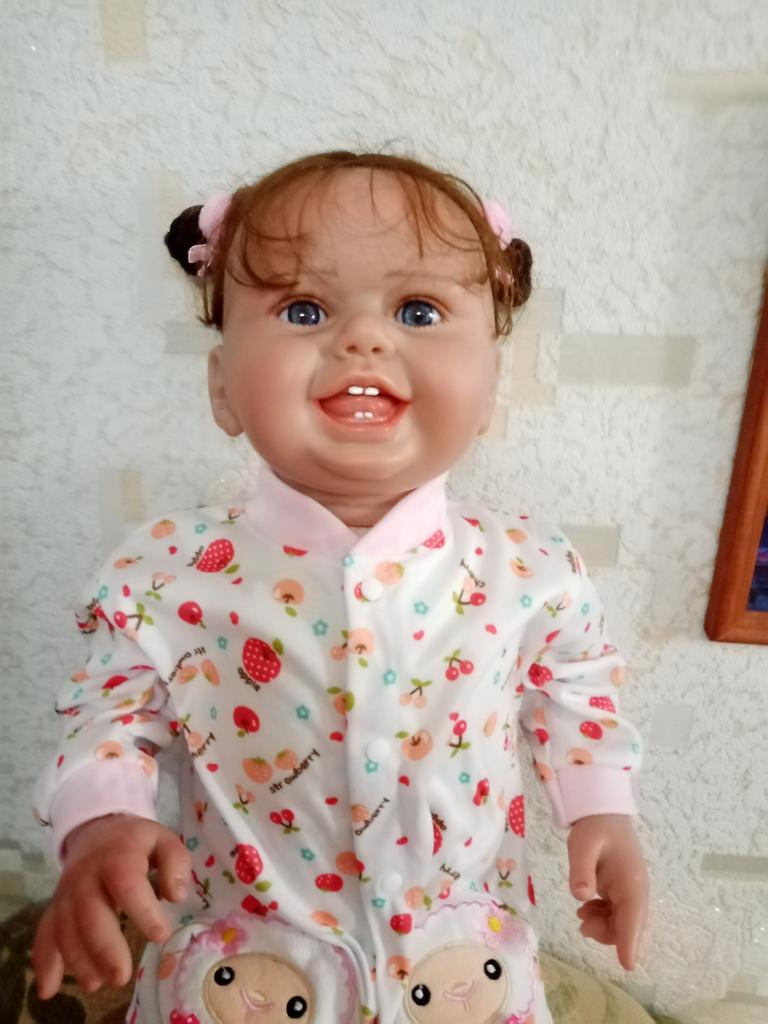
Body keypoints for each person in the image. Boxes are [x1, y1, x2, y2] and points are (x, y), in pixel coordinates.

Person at [31, 150, 649, 1024]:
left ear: (490, 391)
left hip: (461, 979)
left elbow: (579, 695)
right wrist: (98, 824)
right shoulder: (166, 569)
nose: (363, 338)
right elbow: (108, 716)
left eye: (418, 310)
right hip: (244, 975)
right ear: (222, 388)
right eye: (304, 309)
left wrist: (602, 814)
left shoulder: (530, 569)